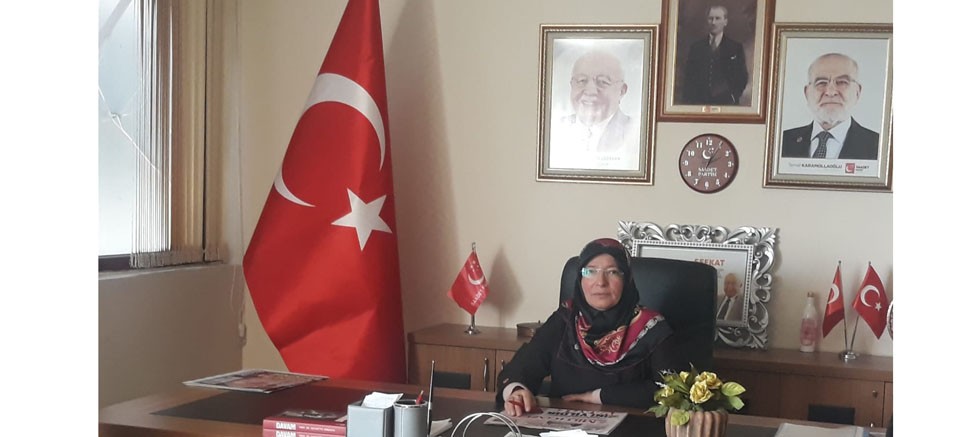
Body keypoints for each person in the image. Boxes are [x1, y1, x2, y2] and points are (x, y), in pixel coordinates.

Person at [497, 238, 686, 416]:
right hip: (563, 428)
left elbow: (670, 390)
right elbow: (525, 364)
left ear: (627, 279)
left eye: (612, 272)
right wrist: (517, 390)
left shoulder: (652, 327)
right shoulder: (566, 319)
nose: (600, 282)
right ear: (580, 280)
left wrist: (597, 396)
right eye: (590, 271)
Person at [549, 50, 641, 171]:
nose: (590, 91)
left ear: (622, 91)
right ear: (571, 85)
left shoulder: (635, 133)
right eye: (582, 80)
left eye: (603, 82)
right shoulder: (555, 128)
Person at [781, 53, 879, 160]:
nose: (831, 92)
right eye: (821, 83)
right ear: (807, 93)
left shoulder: (877, 145)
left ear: (857, 92)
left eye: (842, 82)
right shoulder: (782, 141)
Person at [681, 5, 748, 105]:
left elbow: (742, 77)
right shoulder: (696, 48)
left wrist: (733, 96)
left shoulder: (735, 47)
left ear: (725, 22)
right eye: (710, 18)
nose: (713, 22)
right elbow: (689, 77)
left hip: (726, 104)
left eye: (717, 18)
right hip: (699, 103)